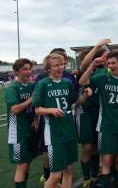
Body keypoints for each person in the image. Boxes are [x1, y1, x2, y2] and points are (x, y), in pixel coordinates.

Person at [33, 53, 89, 188]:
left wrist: (86, 93)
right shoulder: (43, 84)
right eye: (56, 65)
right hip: (54, 133)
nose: (60, 67)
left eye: (62, 64)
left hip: (69, 131)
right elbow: (37, 109)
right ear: (48, 69)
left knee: (68, 170)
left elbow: (77, 101)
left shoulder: (67, 82)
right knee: (56, 174)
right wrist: (50, 110)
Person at [79, 51, 118, 188]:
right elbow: (82, 81)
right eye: (108, 63)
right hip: (106, 126)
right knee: (107, 160)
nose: (110, 65)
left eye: (113, 63)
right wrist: (92, 65)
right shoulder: (102, 77)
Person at [6, 58, 35, 188]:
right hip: (17, 132)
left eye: (29, 68)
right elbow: (15, 109)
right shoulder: (12, 88)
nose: (29, 71)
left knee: (27, 162)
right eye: (25, 69)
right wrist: (31, 99)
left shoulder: (30, 85)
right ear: (17, 71)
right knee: (22, 164)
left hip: (30, 130)